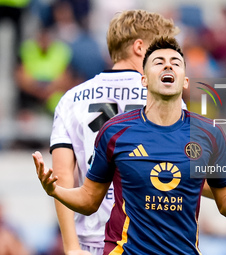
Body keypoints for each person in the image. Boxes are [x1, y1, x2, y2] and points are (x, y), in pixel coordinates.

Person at [33, 36, 226, 255]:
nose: (168, 66)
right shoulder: (115, 131)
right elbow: (89, 200)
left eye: (175, 62)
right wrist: (56, 191)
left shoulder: (209, 133)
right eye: (159, 62)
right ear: (143, 79)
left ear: (185, 80)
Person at [45, 10, 180, 255]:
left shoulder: (71, 99)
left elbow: (63, 175)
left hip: (90, 240)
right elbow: (177, 171)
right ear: (140, 47)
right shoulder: (165, 97)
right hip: (145, 240)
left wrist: (71, 247)